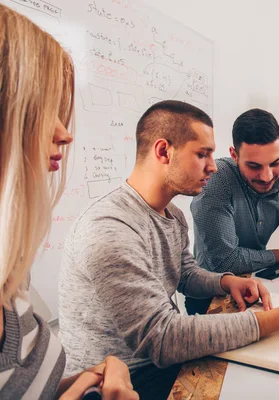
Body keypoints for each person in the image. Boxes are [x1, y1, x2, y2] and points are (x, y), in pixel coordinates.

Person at [58, 101, 279, 398]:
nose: (212, 166)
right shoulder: (111, 229)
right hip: (120, 381)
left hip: (158, 364)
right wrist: (278, 319)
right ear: (163, 152)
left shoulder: (171, 214)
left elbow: (184, 273)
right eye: (202, 155)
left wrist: (225, 281)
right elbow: (161, 338)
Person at [0, 5, 137, 399]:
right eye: (41, 110)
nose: (65, 133)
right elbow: (159, 335)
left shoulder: (11, 271)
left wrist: (79, 384)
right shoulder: (110, 227)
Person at [188, 109, 279, 313]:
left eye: (275, 163)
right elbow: (224, 261)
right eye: (254, 166)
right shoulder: (216, 180)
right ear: (234, 155)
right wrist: (275, 256)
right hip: (210, 298)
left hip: (260, 291)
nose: (267, 176)